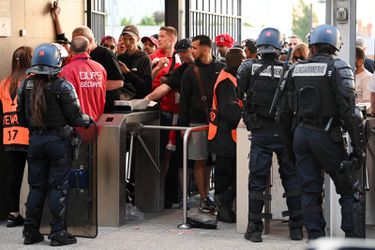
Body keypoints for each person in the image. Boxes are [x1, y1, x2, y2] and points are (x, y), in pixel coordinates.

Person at [278, 24, 365, 240]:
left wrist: (289, 148)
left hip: (301, 135)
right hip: (326, 136)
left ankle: (316, 240)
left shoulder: (295, 69)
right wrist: (358, 150)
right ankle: (353, 241)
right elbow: (351, 115)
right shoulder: (339, 68)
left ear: (313, 46)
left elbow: (283, 114)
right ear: (335, 46)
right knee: (349, 190)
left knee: (309, 191)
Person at [18, 43, 93, 246]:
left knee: (36, 187)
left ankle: (30, 232)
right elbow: (76, 117)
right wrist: (89, 120)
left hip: (35, 141)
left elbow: (22, 119)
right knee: (58, 188)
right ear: (57, 61)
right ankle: (57, 233)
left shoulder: (25, 85)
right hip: (59, 142)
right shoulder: (63, 86)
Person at [237, 27, 303, 242]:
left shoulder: (247, 67)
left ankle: (254, 229)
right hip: (285, 133)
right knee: (292, 180)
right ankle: (295, 229)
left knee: (256, 181)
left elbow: (241, 93)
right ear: (279, 47)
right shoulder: (289, 69)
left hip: (260, 133)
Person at [179, 35, 225, 212]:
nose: (192, 51)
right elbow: (184, 100)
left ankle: (210, 195)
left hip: (217, 124)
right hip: (196, 122)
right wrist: (184, 126)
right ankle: (204, 197)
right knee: (199, 160)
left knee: (211, 162)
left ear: (206, 48)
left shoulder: (221, 68)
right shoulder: (190, 71)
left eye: (195, 47)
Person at [207, 48, 245, 223]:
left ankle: (225, 206)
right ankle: (223, 207)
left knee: (230, 173)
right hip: (224, 137)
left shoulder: (231, 77)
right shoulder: (226, 81)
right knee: (225, 175)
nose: (245, 62)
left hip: (228, 136)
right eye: (243, 59)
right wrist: (246, 114)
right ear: (236, 61)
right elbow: (231, 112)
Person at [0, 46, 32, 227]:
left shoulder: (4, 83)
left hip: (9, 135)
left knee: (14, 176)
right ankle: (34, 215)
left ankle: (13, 214)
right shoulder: (31, 81)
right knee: (35, 176)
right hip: (28, 134)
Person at [72, 26, 124, 113]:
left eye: (80, 41)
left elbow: (119, 82)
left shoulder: (105, 54)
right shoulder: (76, 56)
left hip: (105, 107)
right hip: (85, 107)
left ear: (91, 40)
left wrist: (92, 87)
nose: (76, 45)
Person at [59, 36, 107, 122]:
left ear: (70, 50)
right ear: (89, 50)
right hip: (98, 124)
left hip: (76, 125)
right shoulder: (101, 68)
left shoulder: (66, 70)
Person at [118, 25, 152, 99]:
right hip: (122, 100)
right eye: (125, 39)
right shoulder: (120, 58)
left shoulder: (144, 58)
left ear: (138, 39)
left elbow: (147, 86)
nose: (127, 42)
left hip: (139, 101)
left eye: (131, 39)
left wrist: (128, 72)